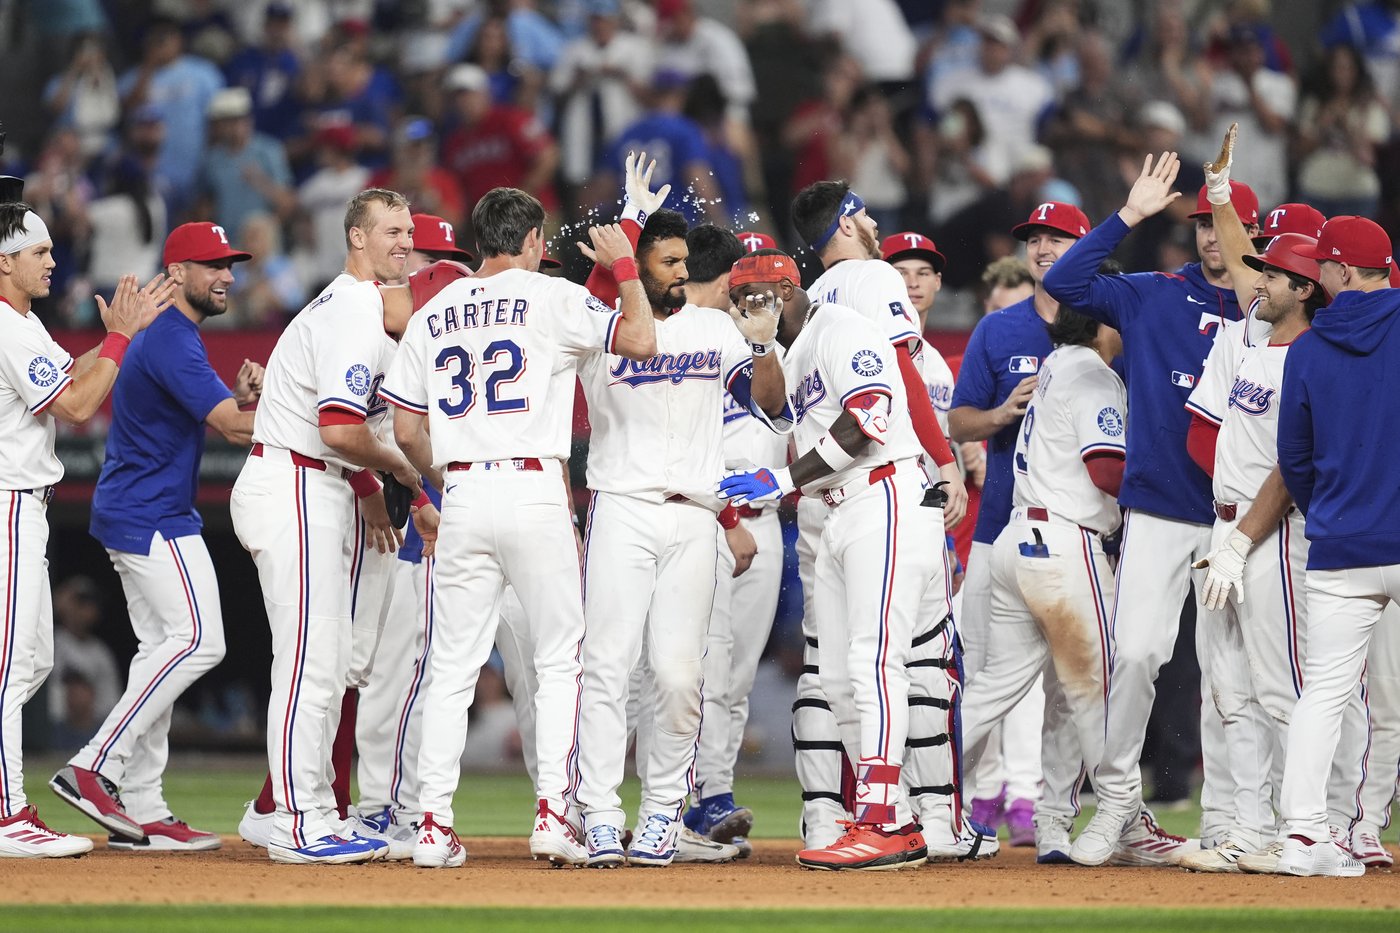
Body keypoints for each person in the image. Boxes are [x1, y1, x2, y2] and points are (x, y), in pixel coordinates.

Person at [380, 186, 660, 870]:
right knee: (558, 658)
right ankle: (551, 815)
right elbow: (643, 340)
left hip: (466, 489)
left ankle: (433, 825)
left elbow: (407, 429)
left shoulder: (434, 309)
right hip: (534, 487)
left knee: (450, 668)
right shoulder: (552, 297)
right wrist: (624, 264)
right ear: (533, 241)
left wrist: (446, 480)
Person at [1042, 152, 1264, 867]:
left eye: (1222, 221)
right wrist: (1129, 213)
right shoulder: (1154, 293)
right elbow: (1063, 281)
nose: (1208, 234)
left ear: (1249, 232)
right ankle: (1116, 807)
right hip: (1162, 509)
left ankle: (1229, 819)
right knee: (1134, 654)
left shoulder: (1275, 315)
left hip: (1240, 518)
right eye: (1200, 221)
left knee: (1231, 675)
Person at [571, 197, 787, 868]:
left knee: (677, 671)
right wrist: (618, 259)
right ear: (634, 268)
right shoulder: (599, 326)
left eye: (683, 261)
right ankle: (602, 813)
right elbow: (595, 305)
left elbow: (770, 403)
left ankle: (663, 810)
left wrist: (764, 342)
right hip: (622, 506)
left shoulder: (714, 329)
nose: (680, 272)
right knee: (607, 665)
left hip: (695, 513)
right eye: (666, 261)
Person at [721, 248, 945, 871]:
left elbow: (870, 417)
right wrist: (764, 347)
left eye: (762, 296)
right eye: (743, 300)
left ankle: (883, 820)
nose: (750, 308)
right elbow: (772, 406)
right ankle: (891, 814)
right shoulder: (791, 351)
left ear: (791, 290)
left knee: (876, 661)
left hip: (885, 495)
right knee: (840, 677)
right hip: (840, 510)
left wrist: (786, 481)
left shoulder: (844, 329)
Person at [231, 188, 429, 866]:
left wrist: (381, 476)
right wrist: (401, 467)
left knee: (323, 659)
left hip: (313, 484)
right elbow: (339, 427)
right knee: (310, 662)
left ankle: (289, 809)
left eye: (408, 230)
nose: (404, 240)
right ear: (356, 238)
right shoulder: (353, 308)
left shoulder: (362, 308)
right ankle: (295, 814)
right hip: (296, 480)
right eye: (391, 230)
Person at [49, 222, 261, 852]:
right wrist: (298, 404)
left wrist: (241, 398)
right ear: (177, 275)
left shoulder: (171, 334)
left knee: (161, 652)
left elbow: (213, 410)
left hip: (138, 509)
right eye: (213, 265)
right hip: (152, 515)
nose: (227, 275)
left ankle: (143, 804)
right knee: (200, 640)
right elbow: (231, 428)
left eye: (229, 264)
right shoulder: (171, 335)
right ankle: (94, 766)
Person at [1178, 193, 1366, 872]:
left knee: (1285, 689)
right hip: (1225, 531)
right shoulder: (1259, 340)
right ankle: (1254, 830)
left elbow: (1292, 469)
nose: (1254, 281)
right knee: (1234, 693)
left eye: (1272, 275)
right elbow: (1242, 259)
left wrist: (1241, 542)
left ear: (1303, 288)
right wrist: (1222, 200)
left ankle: (1317, 833)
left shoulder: (1312, 357)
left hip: (1273, 538)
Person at [787, 181, 965, 853]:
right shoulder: (871, 273)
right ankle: (892, 813)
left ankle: (880, 811)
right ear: (840, 225)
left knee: (847, 663)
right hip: (865, 489)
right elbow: (902, 373)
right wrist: (943, 458)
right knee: (876, 662)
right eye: (858, 211)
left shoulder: (811, 303)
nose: (870, 219)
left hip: (847, 493)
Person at [0, 203, 173, 858]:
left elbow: (70, 376)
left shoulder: (24, 321)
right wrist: (123, 342)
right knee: (10, 664)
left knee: (32, 659)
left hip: (23, 504)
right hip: (8, 501)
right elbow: (76, 405)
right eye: (38, 251)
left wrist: (117, 337)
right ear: (4, 260)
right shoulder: (7, 326)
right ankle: (6, 812)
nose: (52, 259)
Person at [959, 294, 1127, 864]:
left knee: (996, 691)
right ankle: (1121, 813)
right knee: (1093, 691)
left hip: (1018, 541)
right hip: (1064, 548)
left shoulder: (1053, 365)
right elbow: (1106, 469)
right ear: (1103, 322)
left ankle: (921, 796)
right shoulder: (1095, 378)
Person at [948, 201, 1090, 854]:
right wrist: (1003, 411)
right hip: (997, 528)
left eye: (1057, 238)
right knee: (983, 673)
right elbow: (958, 422)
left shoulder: (1106, 329)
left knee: (1068, 686)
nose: (1042, 247)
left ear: (1083, 245)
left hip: (1077, 532)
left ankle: (1051, 813)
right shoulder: (999, 331)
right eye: (1034, 238)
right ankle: (954, 804)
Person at [1274, 214, 1398, 877]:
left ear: (1345, 272)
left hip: (1340, 546)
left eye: (1323, 264)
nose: (1316, 274)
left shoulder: (1310, 349)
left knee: (1322, 693)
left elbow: (1293, 457)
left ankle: (1303, 836)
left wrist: (1328, 506)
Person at [679, 224, 785, 859]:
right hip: (710, 520)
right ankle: (694, 801)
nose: (753, 297)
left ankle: (714, 794)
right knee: (699, 672)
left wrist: (767, 341)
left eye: (766, 288)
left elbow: (771, 402)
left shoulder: (766, 348)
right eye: (745, 285)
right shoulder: (688, 340)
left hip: (764, 525)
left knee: (736, 678)